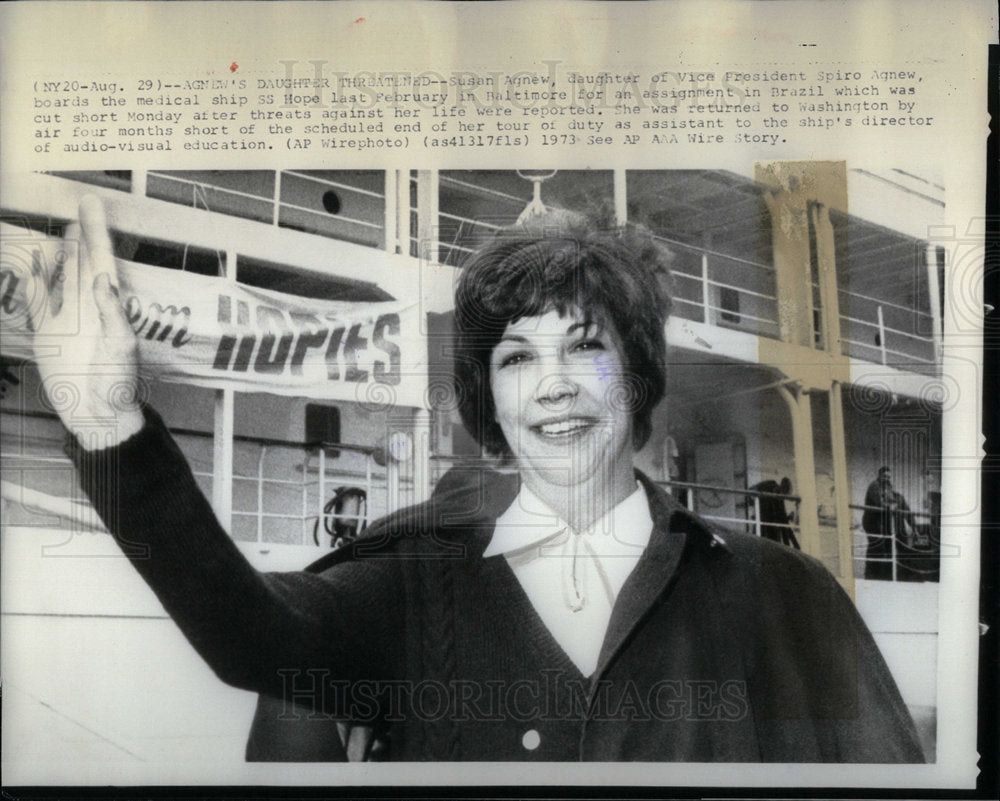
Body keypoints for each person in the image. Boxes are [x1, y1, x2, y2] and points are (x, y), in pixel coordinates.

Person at [28, 196, 924, 762]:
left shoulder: (785, 596)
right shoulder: (415, 590)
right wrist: (111, 426)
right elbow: (248, 632)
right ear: (489, 401)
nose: (555, 386)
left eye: (586, 346)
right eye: (515, 358)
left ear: (639, 374)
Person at [862, 467, 914, 581]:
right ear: (880, 476)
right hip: (873, 523)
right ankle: (871, 575)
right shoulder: (874, 486)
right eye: (885, 476)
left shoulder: (888, 487)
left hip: (883, 524)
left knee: (886, 548)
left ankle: (886, 574)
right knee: (875, 547)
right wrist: (890, 506)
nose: (887, 479)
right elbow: (879, 503)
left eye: (889, 477)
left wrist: (896, 503)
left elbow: (892, 499)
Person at [746, 477, 799, 549]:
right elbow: (784, 523)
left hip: (767, 525)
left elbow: (784, 522)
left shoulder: (778, 498)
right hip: (765, 524)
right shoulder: (771, 486)